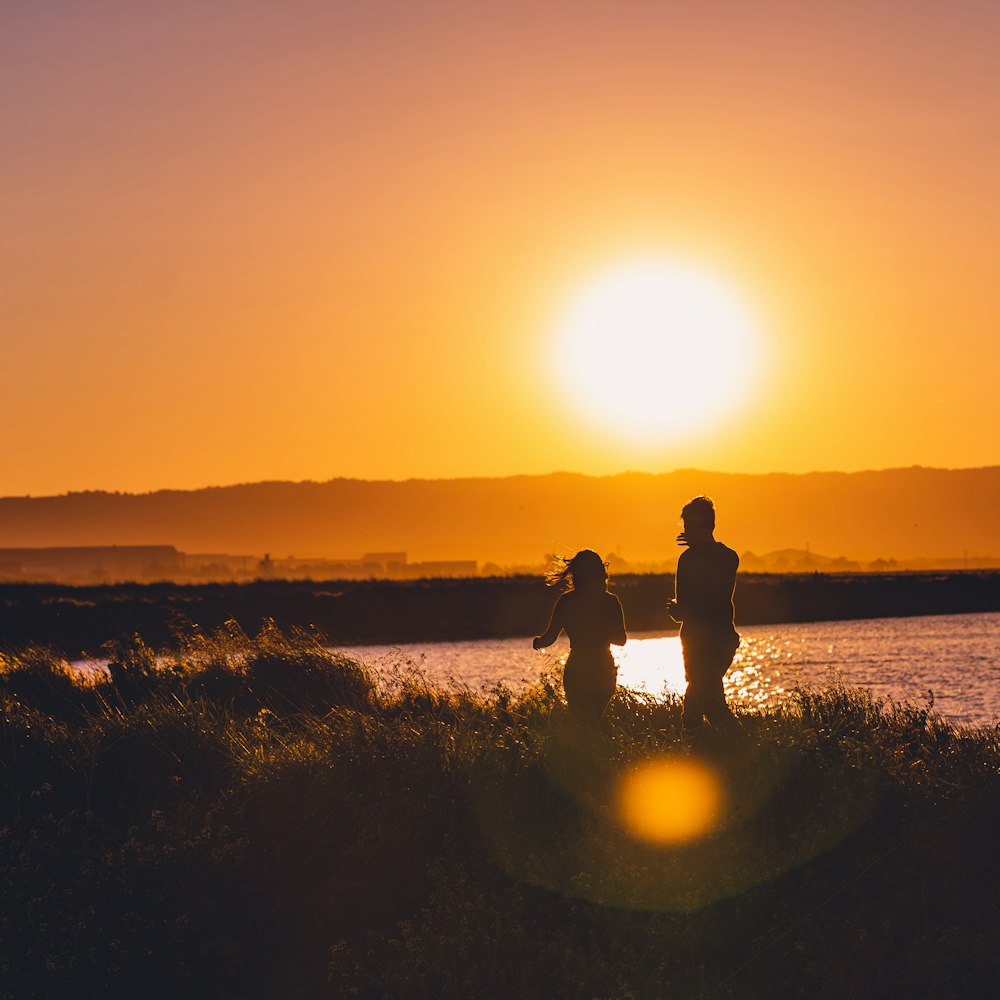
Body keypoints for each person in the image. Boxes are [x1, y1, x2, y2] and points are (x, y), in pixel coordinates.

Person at [666, 496, 742, 736]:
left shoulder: (688, 559)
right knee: (694, 704)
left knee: (708, 702)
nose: (685, 529)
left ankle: (740, 742)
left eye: (687, 524)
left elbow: (685, 610)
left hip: (698, 642)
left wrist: (674, 610)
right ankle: (702, 752)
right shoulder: (730, 556)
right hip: (723, 639)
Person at [533, 549, 627, 727]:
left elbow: (549, 638)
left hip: (578, 666)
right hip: (603, 666)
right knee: (595, 722)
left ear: (575, 575)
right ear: (601, 573)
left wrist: (537, 642)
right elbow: (621, 640)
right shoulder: (610, 601)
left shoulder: (566, 601)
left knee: (580, 722)